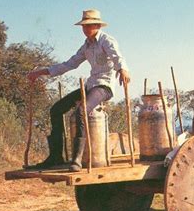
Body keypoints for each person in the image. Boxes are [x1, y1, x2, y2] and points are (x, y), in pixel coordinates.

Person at [27, 9, 130, 172]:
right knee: (56, 109)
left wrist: (123, 70)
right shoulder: (86, 46)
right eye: (84, 26)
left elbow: (118, 57)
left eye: (89, 26)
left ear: (97, 25)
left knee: (81, 111)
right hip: (90, 86)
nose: (85, 29)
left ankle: (77, 159)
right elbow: (69, 64)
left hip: (104, 87)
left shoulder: (107, 41)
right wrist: (40, 72)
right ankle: (55, 156)